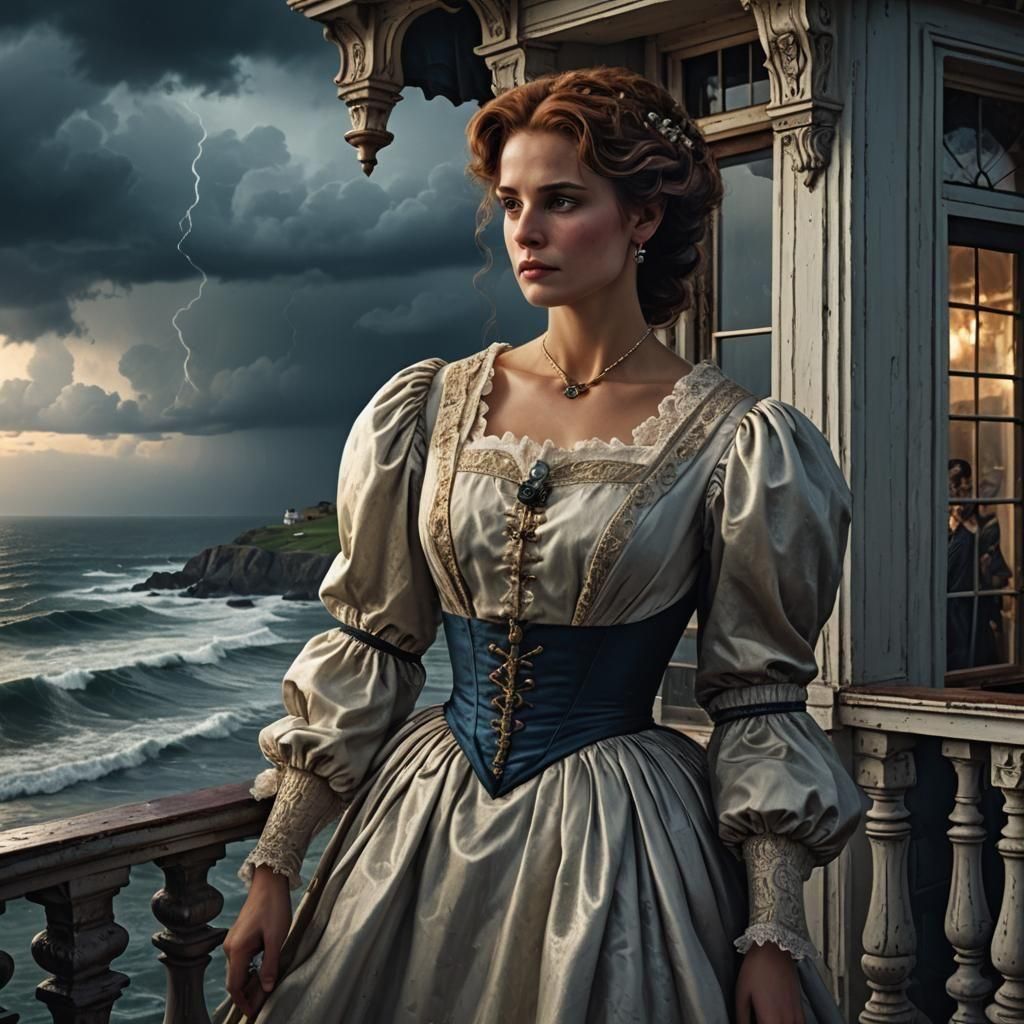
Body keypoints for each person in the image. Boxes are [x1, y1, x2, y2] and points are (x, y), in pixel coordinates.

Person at [214, 65, 864, 1024]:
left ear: (643, 217)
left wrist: (772, 930)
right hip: (421, 823)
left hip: (619, 844)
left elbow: (758, 697)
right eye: (512, 202)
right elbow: (372, 644)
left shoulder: (738, 440)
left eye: (562, 200)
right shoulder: (429, 407)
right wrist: (276, 864)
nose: (525, 230)